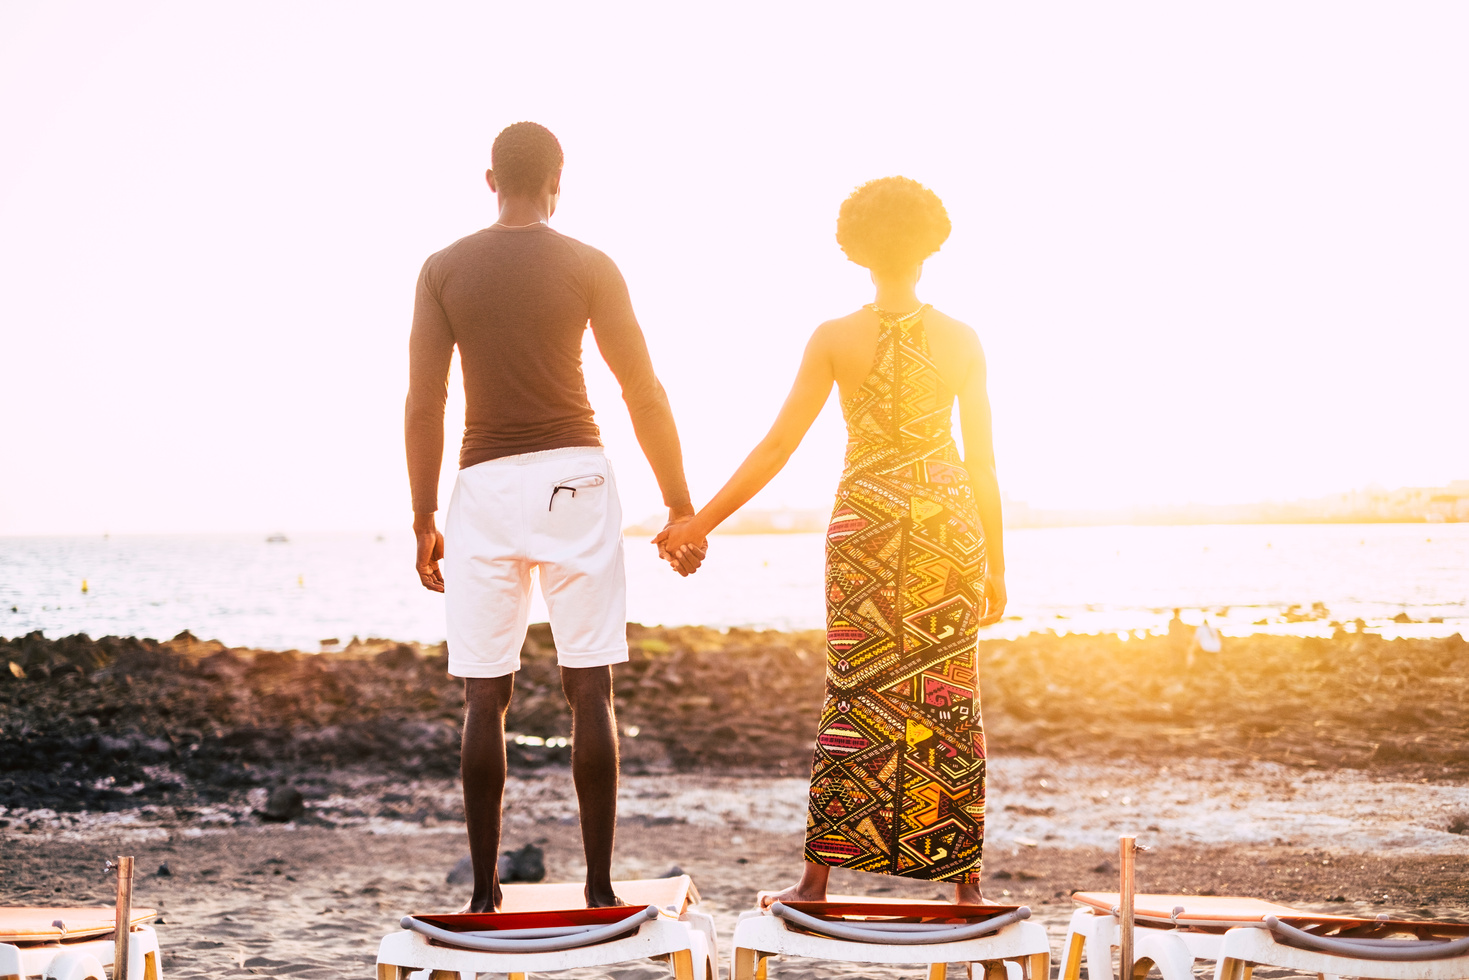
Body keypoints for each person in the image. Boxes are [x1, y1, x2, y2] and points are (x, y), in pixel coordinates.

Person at [658, 177, 1006, 904]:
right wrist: (997, 567)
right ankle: (964, 886)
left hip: (866, 529)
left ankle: (816, 881)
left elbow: (779, 444)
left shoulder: (834, 338)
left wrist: (699, 523)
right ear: (930, 243)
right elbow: (981, 463)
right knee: (947, 700)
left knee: (852, 694)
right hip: (946, 528)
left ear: (855, 248)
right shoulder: (961, 340)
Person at [405, 122, 705, 911]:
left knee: (483, 694)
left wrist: (420, 515)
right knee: (589, 688)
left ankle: (481, 893)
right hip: (577, 472)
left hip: (485, 482)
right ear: (558, 180)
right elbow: (643, 389)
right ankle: (600, 884)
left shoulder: (442, 269)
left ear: (488, 180)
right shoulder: (589, 264)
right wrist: (678, 503)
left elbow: (425, 400)